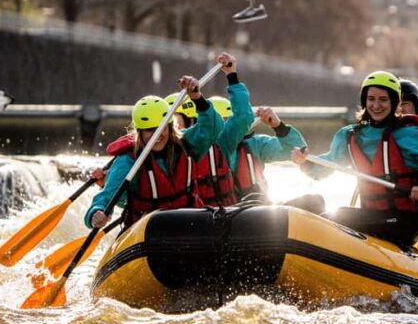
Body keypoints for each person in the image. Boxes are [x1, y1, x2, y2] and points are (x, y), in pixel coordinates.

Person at [292, 70, 418, 245]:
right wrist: (305, 162)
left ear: (394, 102)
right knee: (320, 212)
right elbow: (322, 169)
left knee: (334, 218)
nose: (376, 105)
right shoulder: (349, 136)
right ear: (364, 101)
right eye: (371, 99)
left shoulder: (409, 134)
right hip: (369, 216)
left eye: (383, 100)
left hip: (403, 222)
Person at [85, 74, 223, 229]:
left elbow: (213, 127)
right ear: (140, 132)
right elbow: (106, 197)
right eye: (149, 130)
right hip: (148, 232)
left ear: (170, 128)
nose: (157, 135)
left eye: (160, 129)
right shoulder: (129, 161)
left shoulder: (187, 145)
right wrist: (96, 213)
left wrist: (197, 97)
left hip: (189, 225)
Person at [208, 95, 316, 210]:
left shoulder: (255, 144)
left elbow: (294, 149)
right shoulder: (199, 149)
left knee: (314, 201)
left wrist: (278, 125)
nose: (232, 127)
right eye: (224, 122)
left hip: (259, 212)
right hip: (222, 215)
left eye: (231, 120)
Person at [189, 52, 256, 206]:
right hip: (194, 217)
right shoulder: (179, 145)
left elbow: (243, 117)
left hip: (227, 213)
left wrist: (232, 75)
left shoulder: (221, 142)